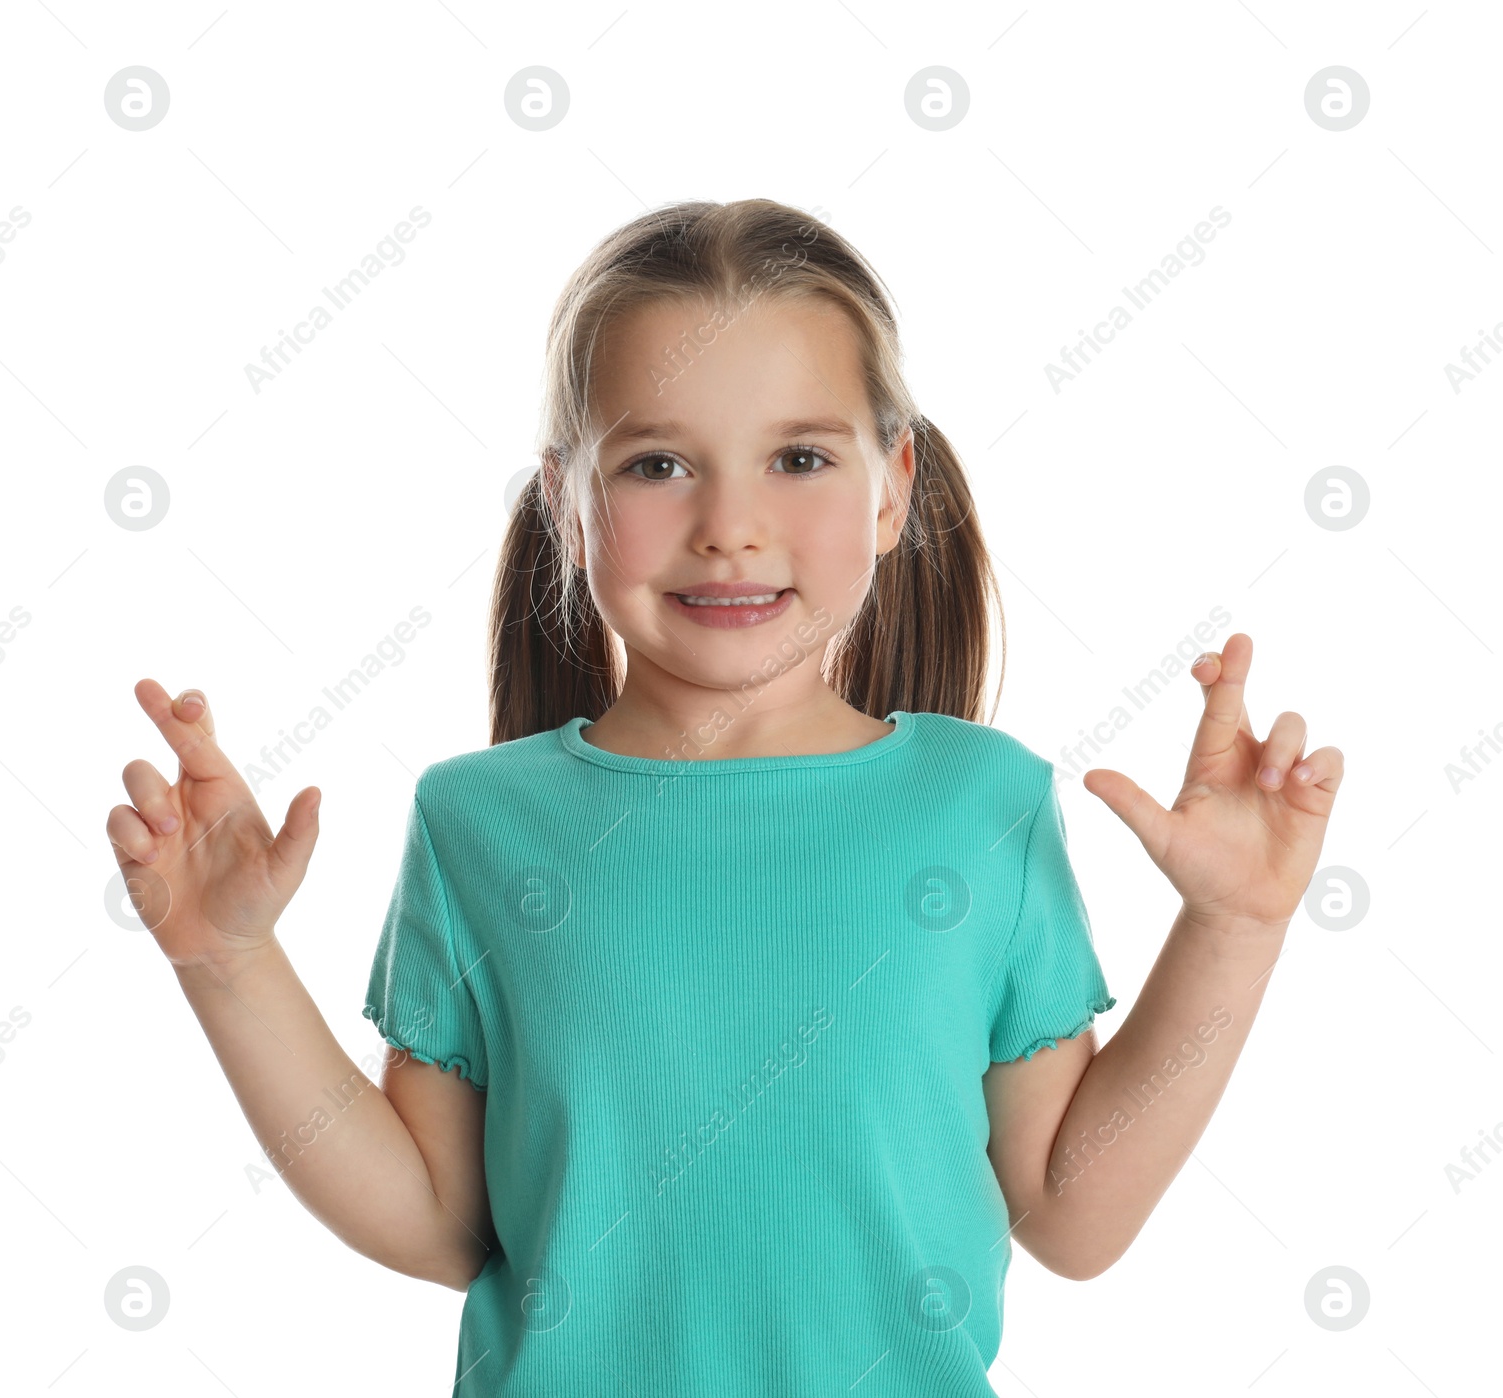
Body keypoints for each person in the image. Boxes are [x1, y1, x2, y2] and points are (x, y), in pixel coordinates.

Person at [107, 198, 1344, 1395]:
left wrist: (1234, 926)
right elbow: (438, 1222)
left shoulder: (983, 804)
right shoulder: (479, 822)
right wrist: (227, 959)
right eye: (656, 464)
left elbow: (1073, 1219)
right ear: (569, 509)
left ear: (892, 483)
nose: (730, 526)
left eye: (799, 457)